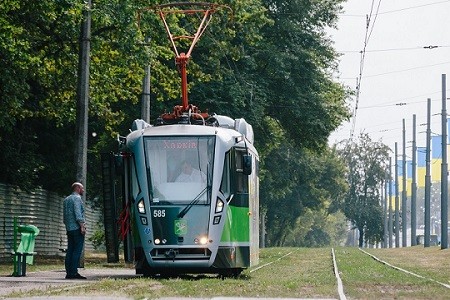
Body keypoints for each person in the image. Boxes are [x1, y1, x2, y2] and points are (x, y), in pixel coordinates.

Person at [63, 182, 87, 279]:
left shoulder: (66, 199)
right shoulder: (77, 199)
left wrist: (68, 226)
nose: (83, 190)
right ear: (77, 188)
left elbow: (64, 217)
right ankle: (73, 273)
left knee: (70, 250)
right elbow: (78, 213)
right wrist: (82, 226)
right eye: (82, 188)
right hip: (77, 228)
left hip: (69, 228)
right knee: (77, 251)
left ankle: (69, 272)